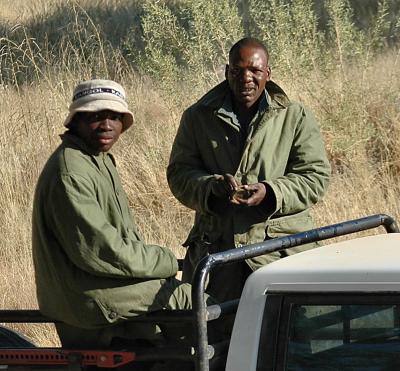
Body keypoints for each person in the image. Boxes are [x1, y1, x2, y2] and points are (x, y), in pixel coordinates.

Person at [32, 79, 200, 350]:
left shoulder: (97, 159)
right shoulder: (72, 172)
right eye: (96, 116)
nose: (106, 124)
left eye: (114, 116)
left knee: (167, 333)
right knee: (188, 299)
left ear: (124, 123)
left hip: (100, 285)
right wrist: (166, 261)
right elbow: (103, 251)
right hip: (84, 296)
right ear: (76, 120)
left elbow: (122, 241)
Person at [167, 38, 331, 302]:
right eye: (237, 70)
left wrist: (271, 192)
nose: (246, 78)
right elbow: (179, 174)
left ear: (268, 73)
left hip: (279, 251)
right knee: (216, 335)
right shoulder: (197, 116)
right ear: (226, 72)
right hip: (218, 252)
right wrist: (211, 187)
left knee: (284, 335)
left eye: (255, 71)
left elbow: (315, 176)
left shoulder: (295, 116)